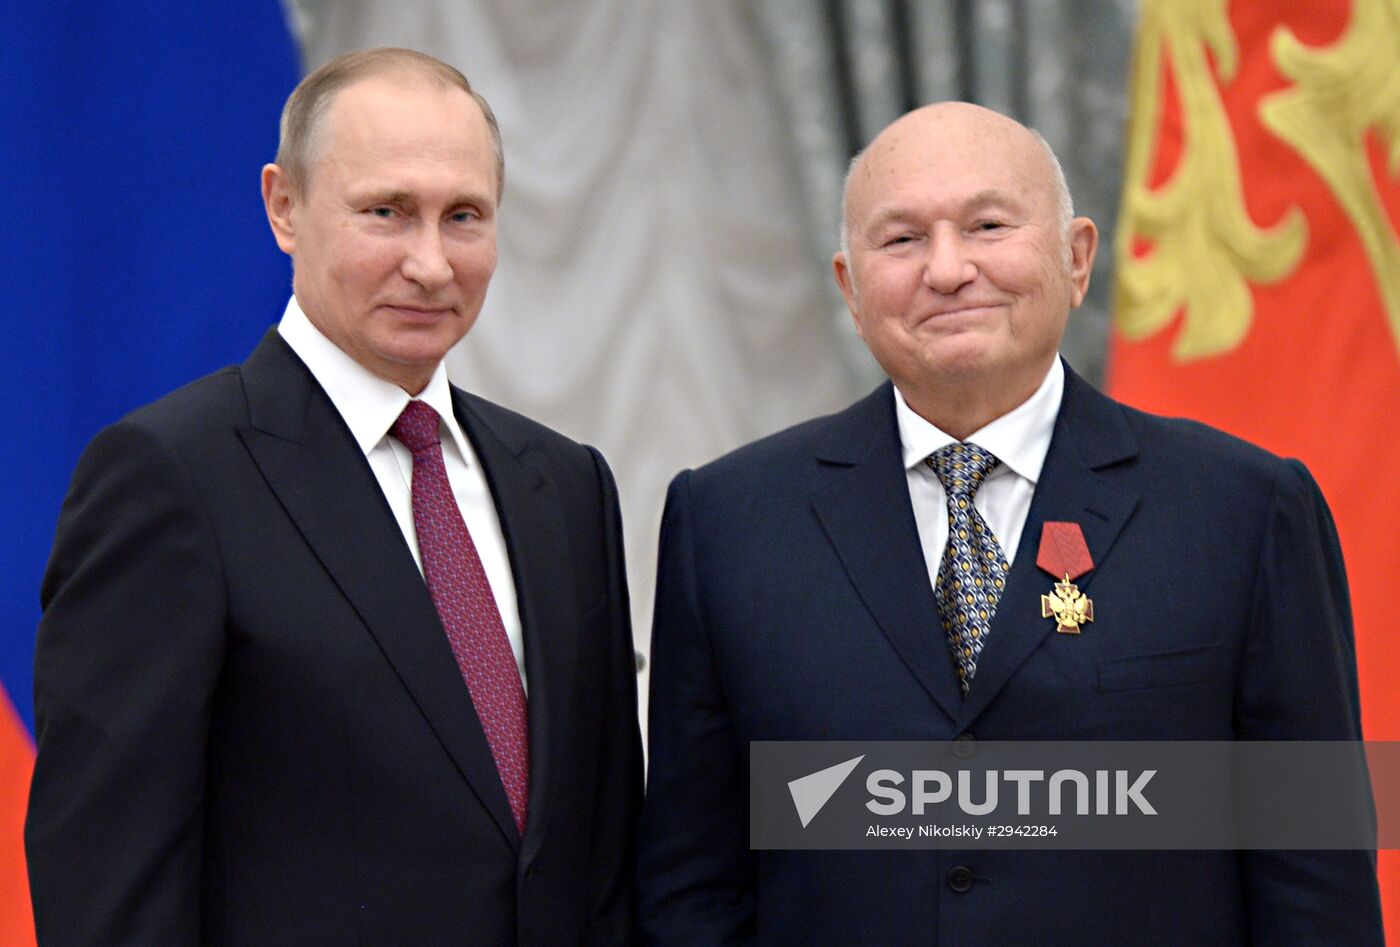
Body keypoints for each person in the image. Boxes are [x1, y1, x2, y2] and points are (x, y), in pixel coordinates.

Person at [637, 102, 1382, 944]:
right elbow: (691, 889)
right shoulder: (729, 522)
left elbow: (1317, 884)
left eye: (988, 225)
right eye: (902, 239)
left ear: (1076, 258)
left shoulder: (1244, 512)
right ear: (849, 287)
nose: (948, 269)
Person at [26, 48, 641, 946]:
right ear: (284, 206)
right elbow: (109, 887)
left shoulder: (566, 485)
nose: (430, 264)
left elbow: (602, 849)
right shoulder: (168, 478)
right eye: (386, 212)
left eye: (463, 216)